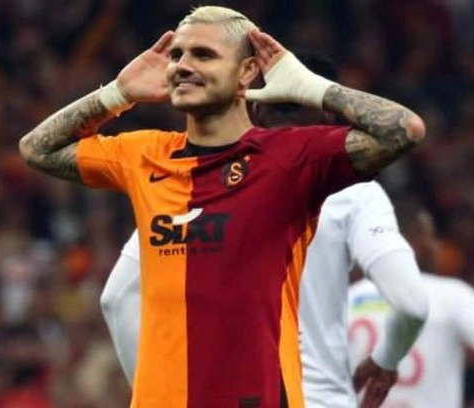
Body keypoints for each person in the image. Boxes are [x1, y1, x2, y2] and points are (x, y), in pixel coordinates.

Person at [19, 5, 426, 407]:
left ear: (247, 72)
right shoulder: (145, 155)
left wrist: (314, 88)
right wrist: (116, 94)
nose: (183, 65)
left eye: (204, 55)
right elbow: (37, 149)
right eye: (177, 55)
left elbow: (403, 130)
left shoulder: (290, 158)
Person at [100, 53, 429, 408]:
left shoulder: (200, 185)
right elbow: (411, 304)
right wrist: (386, 359)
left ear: (256, 110)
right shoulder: (356, 192)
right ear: (331, 117)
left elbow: (116, 299)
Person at [349, 206, 474, 408]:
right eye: (430, 237)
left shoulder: (349, 298)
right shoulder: (451, 296)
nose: (436, 247)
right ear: (410, 241)